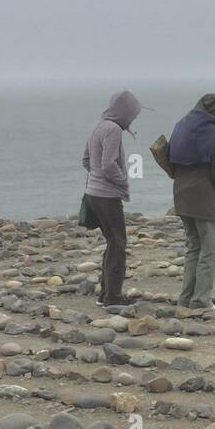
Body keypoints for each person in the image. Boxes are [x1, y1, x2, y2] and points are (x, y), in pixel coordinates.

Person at [168, 93, 215, 311]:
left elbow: (170, 160)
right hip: (204, 197)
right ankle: (201, 300)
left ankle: (185, 298)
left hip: (181, 194)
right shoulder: (213, 134)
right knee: (209, 250)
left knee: (193, 247)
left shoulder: (180, 126)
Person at [82, 90, 141, 306]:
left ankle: (105, 294)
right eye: (132, 114)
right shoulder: (113, 129)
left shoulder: (97, 125)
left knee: (112, 242)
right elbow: (108, 164)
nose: (132, 119)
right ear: (124, 112)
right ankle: (113, 297)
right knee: (118, 244)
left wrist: (96, 179)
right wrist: (122, 181)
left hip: (93, 194)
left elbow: (86, 160)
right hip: (107, 196)